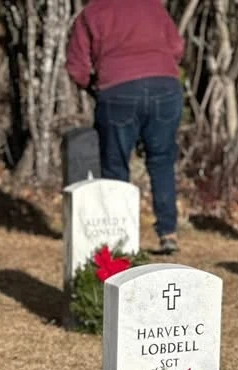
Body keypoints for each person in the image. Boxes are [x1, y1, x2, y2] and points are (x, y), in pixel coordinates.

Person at [66, 0, 185, 254]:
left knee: (115, 164)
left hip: (118, 90)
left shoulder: (91, 13)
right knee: (162, 160)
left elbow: (77, 68)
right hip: (164, 86)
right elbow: (176, 47)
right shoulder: (152, 6)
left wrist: (94, 86)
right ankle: (168, 232)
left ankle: (119, 236)